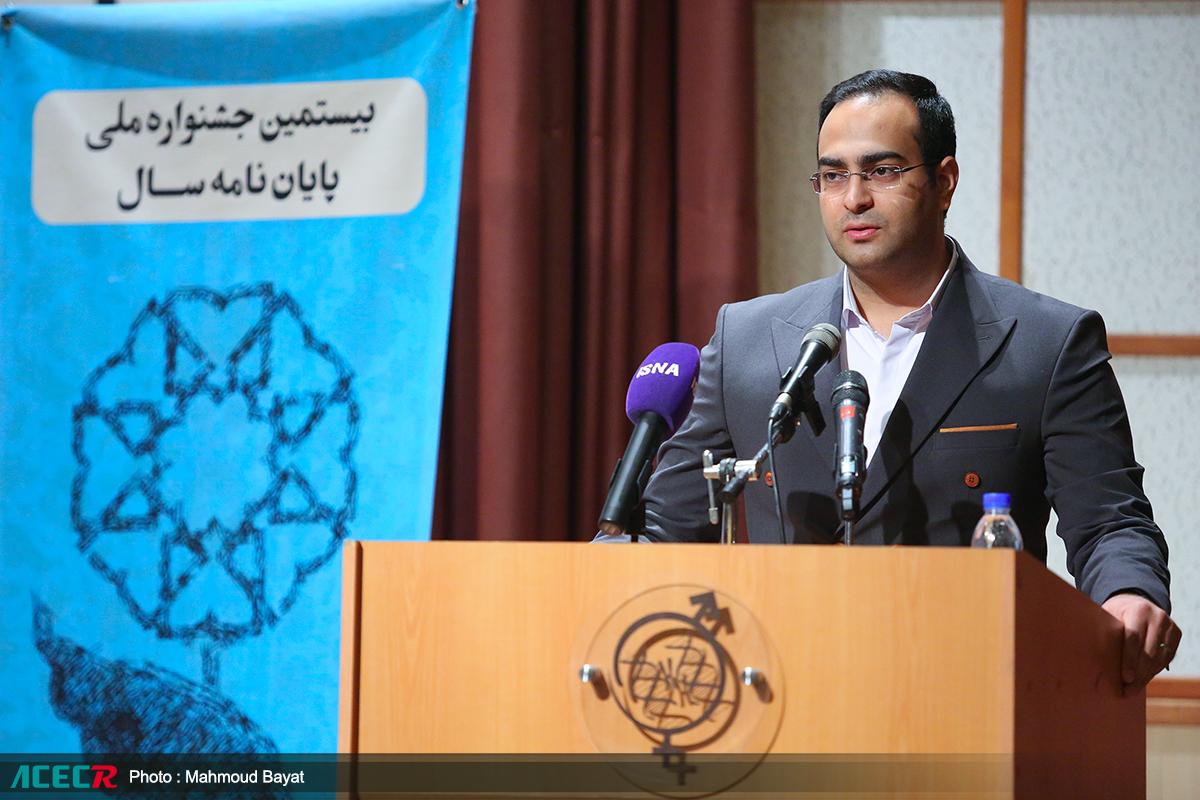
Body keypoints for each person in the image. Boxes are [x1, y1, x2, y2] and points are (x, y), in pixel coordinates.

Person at [632, 70, 1180, 691]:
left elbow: (1110, 522)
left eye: (883, 171)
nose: (854, 198)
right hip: (782, 688)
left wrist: (1129, 593)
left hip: (966, 687)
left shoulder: (1046, 343)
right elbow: (665, 527)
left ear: (944, 181)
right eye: (832, 175)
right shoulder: (748, 340)